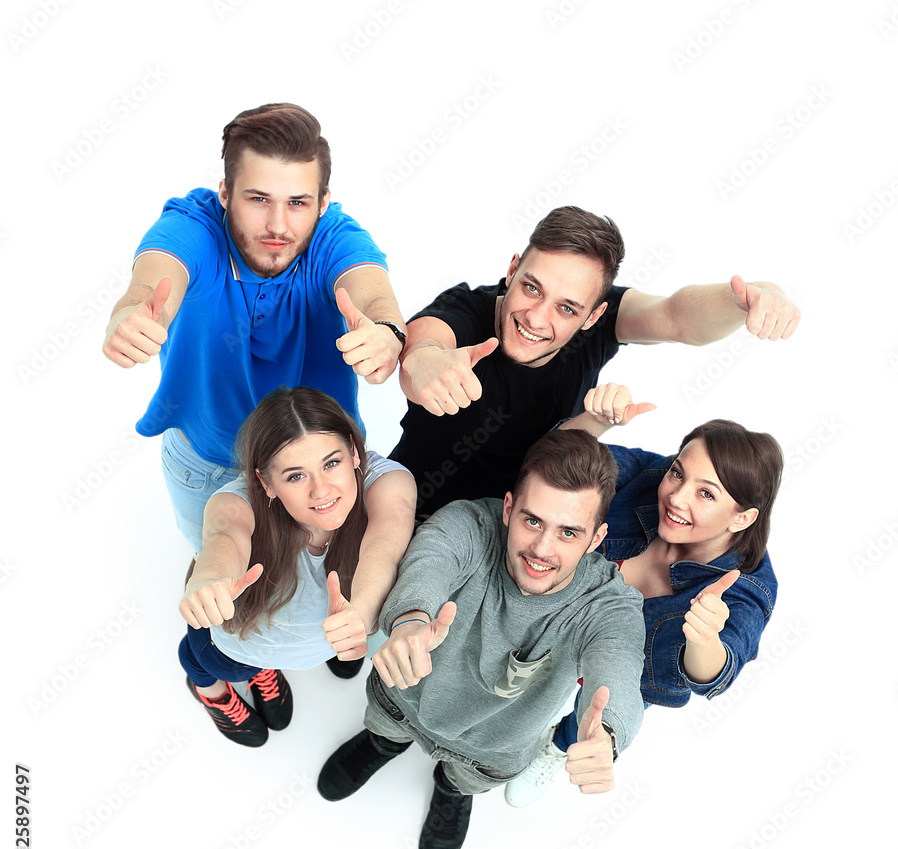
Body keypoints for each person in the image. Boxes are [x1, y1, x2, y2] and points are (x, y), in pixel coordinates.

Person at [317, 429, 646, 849]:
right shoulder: (469, 523)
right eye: (533, 520)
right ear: (509, 508)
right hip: (403, 699)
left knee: (465, 781)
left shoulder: (609, 604)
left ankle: (452, 791)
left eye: (569, 532)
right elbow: (430, 562)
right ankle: (383, 745)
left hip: (491, 751)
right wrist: (412, 621)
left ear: (596, 538)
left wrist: (607, 733)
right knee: (385, 727)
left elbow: (619, 664)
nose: (542, 550)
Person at [102, 102, 410, 560]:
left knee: (324, 588)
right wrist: (133, 314)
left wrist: (386, 332)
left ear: (322, 203)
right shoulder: (195, 228)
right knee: (227, 590)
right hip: (209, 464)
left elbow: (373, 294)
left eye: (298, 203)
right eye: (258, 199)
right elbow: (155, 279)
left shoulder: (333, 238)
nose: (278, 226)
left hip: (317, 468)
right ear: (225, 192)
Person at [390, 205, 800, 516]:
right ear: (513, 270)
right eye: (532, 288)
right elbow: (425, 344)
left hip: (521, 529)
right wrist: (423, 360)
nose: (536, 318)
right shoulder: (466, 309)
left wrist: (750, 296)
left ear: (594, 315)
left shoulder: (603, 321)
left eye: (567, 309)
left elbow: (677, 318)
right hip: (413, 512)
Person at [504, 386, 781, 806]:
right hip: (560, 621)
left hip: (631, 669)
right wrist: (592, 424)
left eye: (707, 493)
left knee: (593, 713)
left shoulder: (748, 588)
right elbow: (551, 466)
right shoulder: (643, 478)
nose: (676, 496)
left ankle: (556, 747)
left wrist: (704, 639)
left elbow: (714, 674)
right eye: (678, 472)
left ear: (742, 517)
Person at [178, 386, 416, 747]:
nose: (321, 491)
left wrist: (361, 615)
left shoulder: (388, 482)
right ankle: (212, 693)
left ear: (354, 451)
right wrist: (209, 579)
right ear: (266, 482)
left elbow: (383, 546)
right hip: (239, 644)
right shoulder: (235, 501)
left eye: (331, 463)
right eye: (295, 475)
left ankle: (265, 671)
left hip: (302, 646)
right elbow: (225, 537)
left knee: (258, 664)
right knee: (204, 662)